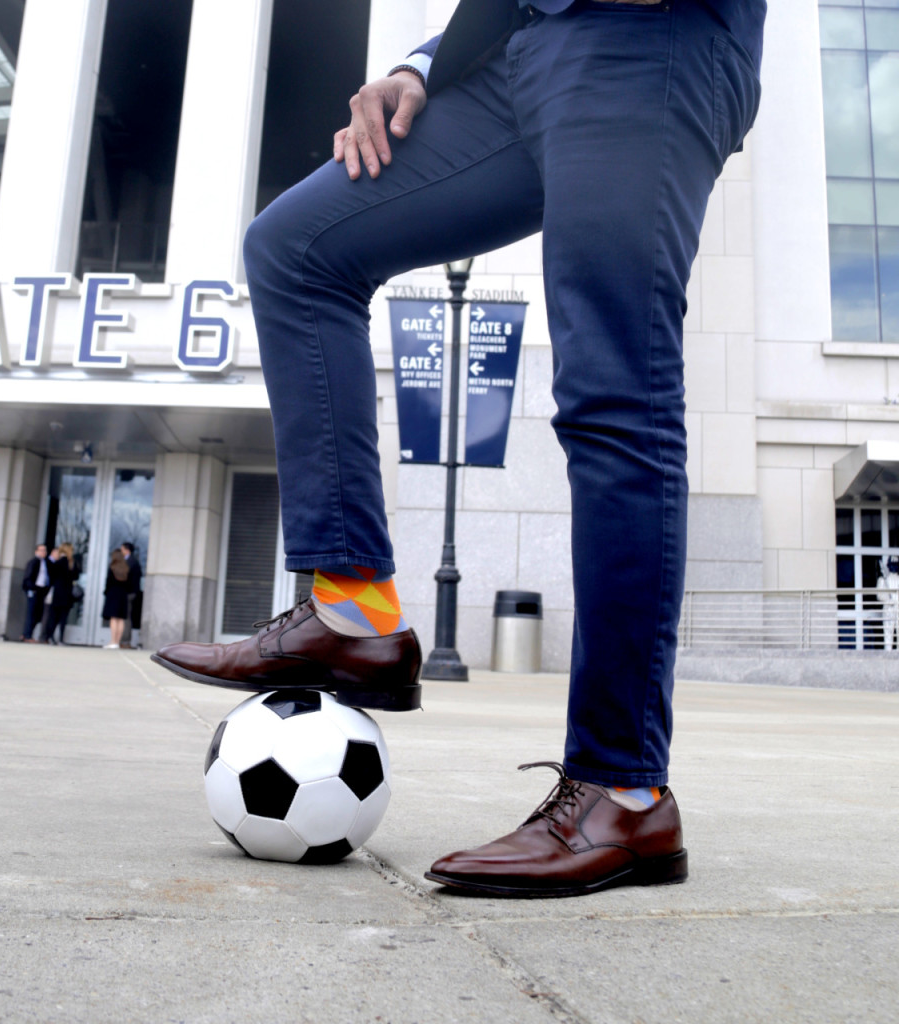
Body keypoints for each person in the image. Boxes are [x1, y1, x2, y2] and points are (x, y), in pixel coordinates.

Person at [154, 0, 766, 897]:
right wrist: (424, 67)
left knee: (614, 390)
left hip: (649, 36)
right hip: (520, 50)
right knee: (296, 249)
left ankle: (623, 790)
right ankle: (353, 610)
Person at [42, 543, 77, 645]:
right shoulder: (71, 563)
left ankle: (51, 637)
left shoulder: (59, 562)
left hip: (58, 593)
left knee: (53, 617)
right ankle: (61, 639)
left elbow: (51, 576)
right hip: (67, 594)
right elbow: (75, 576)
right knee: (63, 619)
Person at [20, 543, 52, 642]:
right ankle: (27, 635)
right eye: (41, 550)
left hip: (41, 591)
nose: (43, 552)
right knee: (31, 613)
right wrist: (32, 588)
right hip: (33, 590)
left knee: (37, 614)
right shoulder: (33, 562)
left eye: (45, 550)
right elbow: (28, 578)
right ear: (36, 551)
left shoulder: (45, 563)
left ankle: (26, 634)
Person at [101, 548, 130, 649]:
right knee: (121, 619)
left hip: (113, 594)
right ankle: (117, 642)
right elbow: (130, 584)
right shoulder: (126, 568)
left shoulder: (112, 567)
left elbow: (108, 582)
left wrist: (106, 592)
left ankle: (113, 641)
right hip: (123, 595)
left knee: (114, 618)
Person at [119, 542, 142, 649]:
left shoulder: (131, 562)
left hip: (128, 593)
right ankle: (124, 640)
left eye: (122, 549)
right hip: (127, 593)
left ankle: (125, 641)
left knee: (126, 617)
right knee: (125, 616)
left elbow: (131, 579)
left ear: (127, 550)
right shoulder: (130, 561)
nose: (121, 551)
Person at [877, 556, 899, 652]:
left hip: (898, 608)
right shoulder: (882, 580)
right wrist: (888, 600)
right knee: (888, 634)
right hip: (888, 609)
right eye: (892, 565)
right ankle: (888, 652)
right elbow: (879, 596)